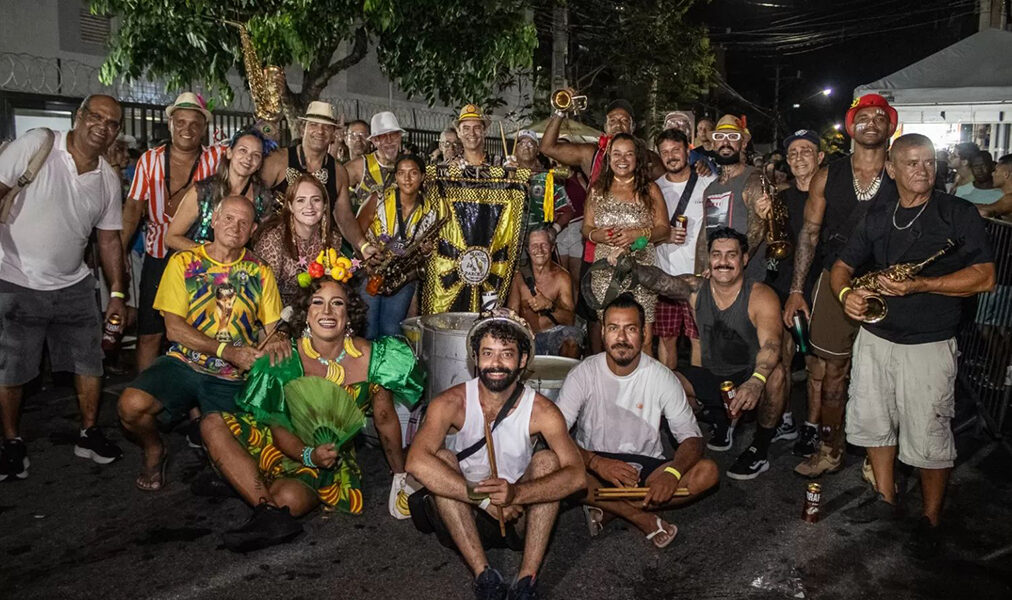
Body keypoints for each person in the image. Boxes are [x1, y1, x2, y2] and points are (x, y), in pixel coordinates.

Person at [830, 133, 995, 558]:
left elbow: (985, 277)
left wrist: (923, 284)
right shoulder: (879, 214)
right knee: (873, 422)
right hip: (875, 337)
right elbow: (843, 265)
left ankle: (931, 520)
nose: (922, 170)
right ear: (891, 169)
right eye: (912, 163)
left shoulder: (957, 213)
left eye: (928, 162)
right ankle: (885, 500)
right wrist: (848, 296)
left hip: (929, 342)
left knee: (929, 437)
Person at [201, 274, 424, 550]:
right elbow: (278, 428)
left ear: (349, 313)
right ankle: (267, 511)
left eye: (337, 303)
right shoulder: (285, 357)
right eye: (317, 302)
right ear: (306, 314)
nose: (327, 312)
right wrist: (307, 454)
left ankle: (244, 481)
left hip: (326, 458)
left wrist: (400, 475)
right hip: (280, 443)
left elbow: (385, 419)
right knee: (211, 423)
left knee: (289, 501)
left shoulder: (374, 358)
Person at [406, 310, 584, 599]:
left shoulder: (542, 411)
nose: (496, 363)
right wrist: (482, 497)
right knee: (441, 460)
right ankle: (484, 576)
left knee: (548, 462)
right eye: (487, 353)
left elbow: (576, 476)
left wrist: (517, 494)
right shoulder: (452, 402)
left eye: (507, 354)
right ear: (475, 357)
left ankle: (527, 579)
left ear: (523, 360)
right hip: (465, 515)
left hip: (518, 516)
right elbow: (415, 462)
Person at [117, 196, 288, 491]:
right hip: (184, 362)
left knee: (239, 463)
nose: (235, 227)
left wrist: (278, 340)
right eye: (229, 218)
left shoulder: (260, 272)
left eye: (244, 222)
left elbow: (272, 328)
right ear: (214, 220)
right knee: (130, 406)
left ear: (253, 229)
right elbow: (173, 329)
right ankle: (155, 449)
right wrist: (228, 351)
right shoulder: (184, 262)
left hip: (232, 376)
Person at [0, 95, 127, 480]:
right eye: (95, 117)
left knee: (89, 362)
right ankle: (11, 443)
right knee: (12, 368)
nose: (101, 126)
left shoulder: (107, 178)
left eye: (111, 123)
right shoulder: (38, 144)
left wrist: (118, 292)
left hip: (74, 284)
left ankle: (88, 433)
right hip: (16, 279)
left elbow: (108, 241)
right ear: (78, 117)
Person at [783, 93, 900, 479]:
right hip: (837, 282)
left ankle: (879, 454)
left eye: (878, 117)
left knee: (887, 375)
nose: (870, 123)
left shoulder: (901, 171)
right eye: (862, 117)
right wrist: (798, 290)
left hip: (890, 285)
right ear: (851, 126)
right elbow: (809, 235)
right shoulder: (828, 174)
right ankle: (830, 449)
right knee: (833, 373)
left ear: (890, 126)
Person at [620, 228, 786, 480]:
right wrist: (629, 265)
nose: (723, 261)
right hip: (712, 376)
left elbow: (772, 346)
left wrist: (756, 382)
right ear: (708, 259)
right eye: (717, 254)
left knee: (776, 375)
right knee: (662, 381)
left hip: (747, 376)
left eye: (731, 255)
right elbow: (659, 280)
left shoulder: (760, 296)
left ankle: (759, 448)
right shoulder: (695, 288)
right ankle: (690, 437)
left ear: (744, 259)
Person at [556, 294, 719, 547]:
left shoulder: (661, 376)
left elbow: (692, 438)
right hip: (593, 463)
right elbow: (556, 434)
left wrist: (673, 473)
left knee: (707, 473)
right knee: (557, 465)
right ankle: (640, 517)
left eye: (630, 329)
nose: (621, 338)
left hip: (645, 467)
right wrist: (596, 462)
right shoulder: (583, 373)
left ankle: (609, 506)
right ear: (603, 334)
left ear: (644, 334)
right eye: (613, 328)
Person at [122, 92, 224, 372]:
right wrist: (119, 252)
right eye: (180, 122)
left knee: (198, 332)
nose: (187, 129)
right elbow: (133, 209)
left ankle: (193, 403)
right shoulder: (149, 160)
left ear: (204, 129)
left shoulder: (217, 159)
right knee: (150, 332)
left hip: (200, 259)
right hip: (159, 256)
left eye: (194, 124)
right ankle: (145, 398)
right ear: (170, 124)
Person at [583, 134, 669, 355]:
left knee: (645, 337)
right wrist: (597, 236)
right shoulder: (597, 190)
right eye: (617, 154)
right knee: (612, 336)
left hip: (640, 270)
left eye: (628, 154)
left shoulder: (649, 189)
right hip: (606, 270)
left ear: (637, 158)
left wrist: (638, 237)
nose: (622, 159)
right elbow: (586, 228)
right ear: (609, 158)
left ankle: (644, 387)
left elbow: (664, 229)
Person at [771, 129, 826, 458]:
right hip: (783, 285)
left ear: (820, 157)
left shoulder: (831, 197)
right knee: (783, 357)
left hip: (819, 288)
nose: (799, 158)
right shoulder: (781, 197)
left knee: (816, 360)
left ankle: (813, 427)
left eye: (806, 151)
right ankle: (786, 418)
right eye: (792, 153)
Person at [261, 102, 372, 262]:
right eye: (313, 125)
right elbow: (255, 199)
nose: (320, 131)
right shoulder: (277, 161)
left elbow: (345, 217)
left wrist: (364, 246)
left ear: (333, 133)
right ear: (302, 129)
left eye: (327, 127)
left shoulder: (339, 172)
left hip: (318, 254)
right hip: (274, 250)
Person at [356, 154, 438, 338]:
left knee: (391, 331)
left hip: (401, 279)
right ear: (395, 177)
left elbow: (424, 251)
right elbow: (356, 233)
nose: (407, 179)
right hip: (373, 272)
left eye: (413, 173)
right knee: (368, 330)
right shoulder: (379, 199)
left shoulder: (430, 210)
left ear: (423, 176)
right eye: (401, 173)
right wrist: (367, 257)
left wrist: (426, 251)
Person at [652, 128, 715, 370]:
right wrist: (663, 237)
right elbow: (645, 235)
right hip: (665, 276)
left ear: (688, 150)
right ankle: (668, 395)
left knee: (697, 338)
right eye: (665, 152)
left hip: (698, 277)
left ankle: (697, 397)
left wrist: (712, 262)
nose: (671, 156)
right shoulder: (653, 189)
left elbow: (718, 228)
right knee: (666, 337)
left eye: (676, 150)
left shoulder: (709, 184)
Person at [165, 126, 277, 252]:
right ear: (229, 153)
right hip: (196, 267)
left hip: (237, 269)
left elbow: (263, 241)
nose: (248, 158)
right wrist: (207, 252)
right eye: (242, 150)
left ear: (260, 164)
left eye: (256, 155)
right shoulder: (202, 191)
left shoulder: (263, 196)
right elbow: (171, 238)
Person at [695, 115, 772, 280]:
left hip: (747, 278)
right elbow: (705, 234)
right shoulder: (711, 188)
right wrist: (699, 273)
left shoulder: (754, 179)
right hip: (718, 277)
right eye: (720, 137)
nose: (725, 142)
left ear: (743, 144)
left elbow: (757, 230)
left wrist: (728, 263)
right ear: (714, 145)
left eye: (733, 137)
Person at [254, 174, 342, 308]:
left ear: (324, 206)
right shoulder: (273, 238)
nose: (309, 207)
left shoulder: (333, 238)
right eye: (301, 200)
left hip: (317, 312)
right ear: (290, 206)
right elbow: (262, 293)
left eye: (316, 200)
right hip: (278, 315)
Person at [508, 227, 582, 357]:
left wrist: (549, 305)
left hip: (553, 335)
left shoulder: (562, 277)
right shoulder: (519, 277)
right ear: (527, 249)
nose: (539, 250)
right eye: (534, 246)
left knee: (573, 336)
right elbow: (511, 314)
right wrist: (523, 328)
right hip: (527, 338)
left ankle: (567, 377)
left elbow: (570, 320)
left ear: (552, 247)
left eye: (544, 245)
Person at [513, 130, 574, 233]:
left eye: (530, 144)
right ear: (515, 150)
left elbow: (567, 211)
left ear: (537, 150)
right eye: (521, 143)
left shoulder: (549, 178)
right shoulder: (508, 176)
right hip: (512, 239)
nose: (526, 147)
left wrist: (554, 230)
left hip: (539, 240)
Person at [347, 111, 404, 213]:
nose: (389, 140)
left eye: (393, 135)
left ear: (400, 137)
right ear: (373, 141)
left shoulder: (409, 165)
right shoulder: (359, 166)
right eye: (382, 137)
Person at [977, 154, 1012, 219]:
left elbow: (984, 212)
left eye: (996, 171)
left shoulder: (1010, 198)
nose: (992, 174)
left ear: (1006, 174)